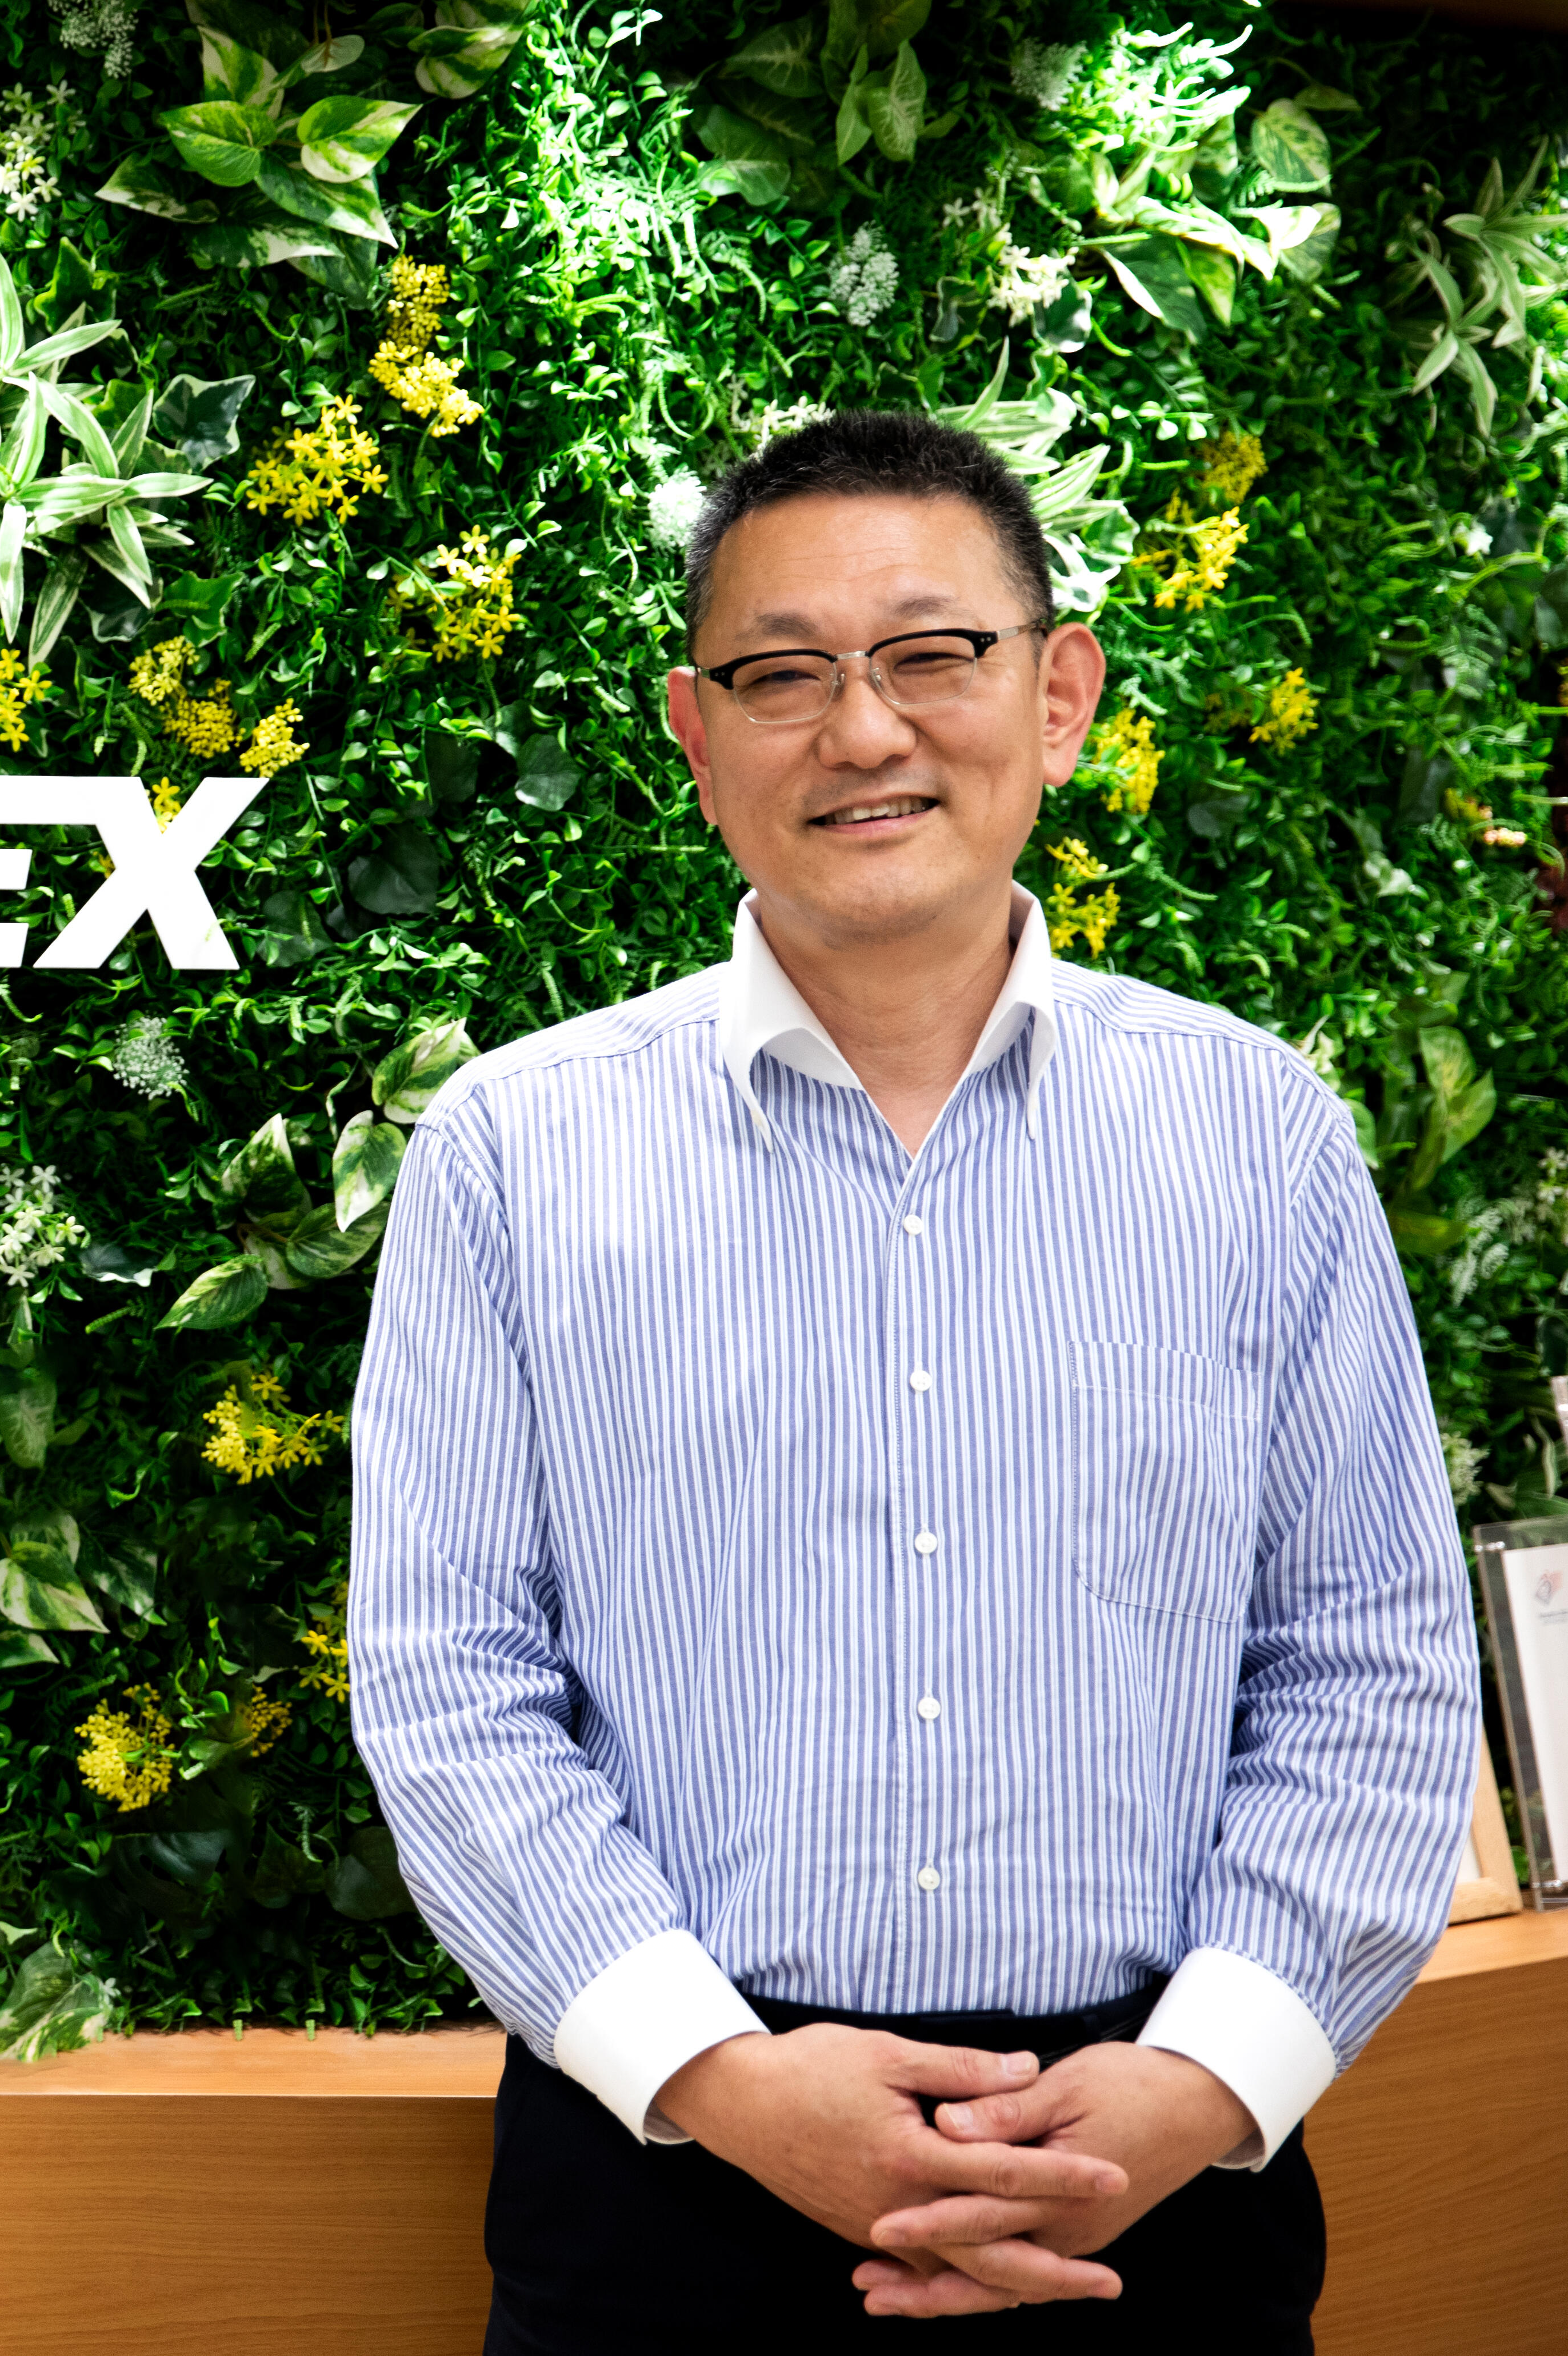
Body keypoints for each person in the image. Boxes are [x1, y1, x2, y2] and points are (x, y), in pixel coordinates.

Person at [344, 410, 1479, 2347]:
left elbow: (1366, 1656)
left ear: (1057, 695)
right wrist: (718, 2075)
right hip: (661, 2181)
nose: (860, 731)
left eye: (929, 654)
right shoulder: (515, 1151)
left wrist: (1199, 2080)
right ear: (696, 737)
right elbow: (447, 1679)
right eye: (780, 675)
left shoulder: (1254, 1136)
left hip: (1150, 2181)